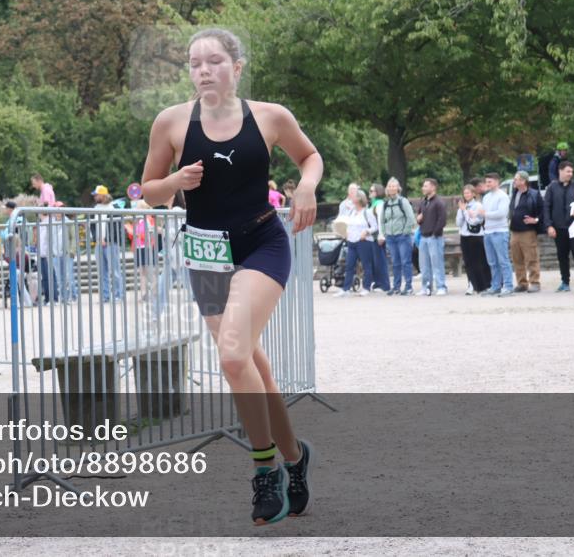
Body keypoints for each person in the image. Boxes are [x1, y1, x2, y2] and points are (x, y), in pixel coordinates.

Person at [140, 28, 322, 525]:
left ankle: (265, 471)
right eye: (195, 62)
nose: (204, 70)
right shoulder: (172, 122)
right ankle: (295, 458)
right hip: (205, 252)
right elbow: (149, 191)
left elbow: (309, 156)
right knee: (250, 367)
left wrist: (306, 187)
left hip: (260, 242)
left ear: (237, 67)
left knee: (232, 353)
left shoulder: (270, 116)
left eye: (215, 61)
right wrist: (174, 183)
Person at [542, 161, 574, 292]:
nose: (570, 174)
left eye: (572, 172)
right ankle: (565, 282)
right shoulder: (552, 187)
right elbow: (546, 207)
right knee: (562, 256)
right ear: (560, 171)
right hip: (559, 228)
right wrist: (549, 226)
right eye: (568, 171)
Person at [377, 177, 416, 296]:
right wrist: (384, 233)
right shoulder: (386, 204)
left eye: (394, 186)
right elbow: (382, 220)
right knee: (395, 263)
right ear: (387, 189)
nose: (392, 188)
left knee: (405, 262)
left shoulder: (403, 201)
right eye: (390, 186)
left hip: (402, 236)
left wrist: (405, 231)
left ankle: (408, 286)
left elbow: (410, 218)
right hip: (391, 237)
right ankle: (396, 286)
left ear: (398, 188)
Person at [334, 190, 376, 298]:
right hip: (351, 241)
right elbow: (348, 224)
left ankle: (366, 287)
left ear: (359, 199)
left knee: (366, 265)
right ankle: (346, 289)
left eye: (354, 196)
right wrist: (346, 232)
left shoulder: (367, 212)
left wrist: (366, 232)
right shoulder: (352, 212)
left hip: (364, 241)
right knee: (349, 265)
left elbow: (375, 227)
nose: (352, 198)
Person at [479, 173, 515, 297]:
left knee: (503, 260)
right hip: (488, 232)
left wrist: (485, 214)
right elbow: (483, 214)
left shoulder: (503, 196)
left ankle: (508, 286)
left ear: (497, 182)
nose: (487, 184)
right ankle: (496, 286)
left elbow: (502, 213)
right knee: (492, 262)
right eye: (486, 182)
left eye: (490, 181)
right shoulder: (486, 197)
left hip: (499, 231)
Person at [507, 171, 544, 293]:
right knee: (517, 259)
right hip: (514, 231)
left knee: (531, 258)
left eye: (516, 179)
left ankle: (534, 282)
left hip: (528, 231)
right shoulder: (515, 193)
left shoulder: (534, 194)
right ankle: (522, 283)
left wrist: (536, 220)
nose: (514, 181)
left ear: (523, 181)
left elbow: (542, 211)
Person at [456, 184, 492, 295]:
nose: (466, 195)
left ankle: (484, 284)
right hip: (465, 236)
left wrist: (465, 211)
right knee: (468, 262)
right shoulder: (462, 206)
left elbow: (474, 221)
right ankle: (471, 284)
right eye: (465, 193)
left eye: (468, 193)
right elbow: (459, 223)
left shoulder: (478, 205)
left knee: (479, 261)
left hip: (476, 237)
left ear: (473, 194)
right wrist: (463, 211)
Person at [92, 185, 125, 302]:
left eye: (96, 195)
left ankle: (118, 295)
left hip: (111, 243)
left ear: (102, 195)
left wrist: (108, 239)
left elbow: (118, 227)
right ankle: (105, 296)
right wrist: (96, 239)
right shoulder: (95, 208)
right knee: (102, 272)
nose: (95, 197)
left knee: (115, 270)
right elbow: (93, 226)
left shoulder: (114, 208)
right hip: (98, 244)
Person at [416, 178, 447, 296]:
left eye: (425, 186)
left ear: (433, 187)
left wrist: (435, 233)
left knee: (437, 263)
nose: (423, 188)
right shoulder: (423, 201)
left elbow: (442, 220)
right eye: (423, 186)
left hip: (435, 237)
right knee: (424, 265)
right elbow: (419, 216)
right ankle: (426, 287)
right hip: (423, 236)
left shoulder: (439, 202)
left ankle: (441, 286)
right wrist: (418, 219)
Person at [366, 183, 390, 292]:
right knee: (375, 260)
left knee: (380, 260)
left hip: (378, 236)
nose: (369, 193)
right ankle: (377, 282)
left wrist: (381, 235)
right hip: (372, 236)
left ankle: (384, 284)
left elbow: (380, 221)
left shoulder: (379, 204)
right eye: (370, 191)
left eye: (372, 191)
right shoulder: (372, 204)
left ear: (377, 192)